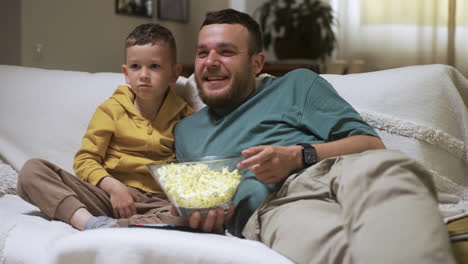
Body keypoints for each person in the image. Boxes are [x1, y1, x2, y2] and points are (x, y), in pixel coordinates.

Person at [173, 9, 456, 264]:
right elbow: (201, 203)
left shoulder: (297, 84)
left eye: (226, 52)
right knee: (340, 247)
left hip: (340, 170)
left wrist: (297, 155)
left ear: (257, 63)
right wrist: (207, 218)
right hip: (276, 208)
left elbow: (373, 146)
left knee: (391, 178)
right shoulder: (185, 132)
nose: (210, 62)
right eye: (202, 53)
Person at [16, 23, 193, 230]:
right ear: (126, 74)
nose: (144, 75)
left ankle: (118, 227)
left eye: (154, 66)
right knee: (31, 171)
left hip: (157, 204)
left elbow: (191, 168)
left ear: (174, 73)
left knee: (187, 216)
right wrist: (114, 187)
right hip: (106, 196)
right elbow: (85, 160)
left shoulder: (186, 117)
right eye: (136, 67)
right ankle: (88, 223)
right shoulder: (111, 109)